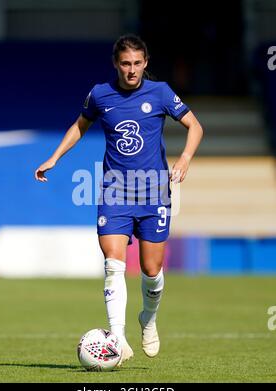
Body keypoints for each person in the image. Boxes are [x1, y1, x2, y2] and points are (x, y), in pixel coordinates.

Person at [35, 34, 203, 366]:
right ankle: (118, 337)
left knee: (151, 269)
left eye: (137, 63)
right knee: (113, 265)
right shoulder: (100, 94)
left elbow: (194, 125)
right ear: (116, 64)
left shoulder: (161, 93)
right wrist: (55, 157)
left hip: (154, 191)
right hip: (115, 192)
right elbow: (79, 126)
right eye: (125, 63)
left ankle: (149, 319)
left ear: (145, 63)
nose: (131, 70)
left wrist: (184, 158)